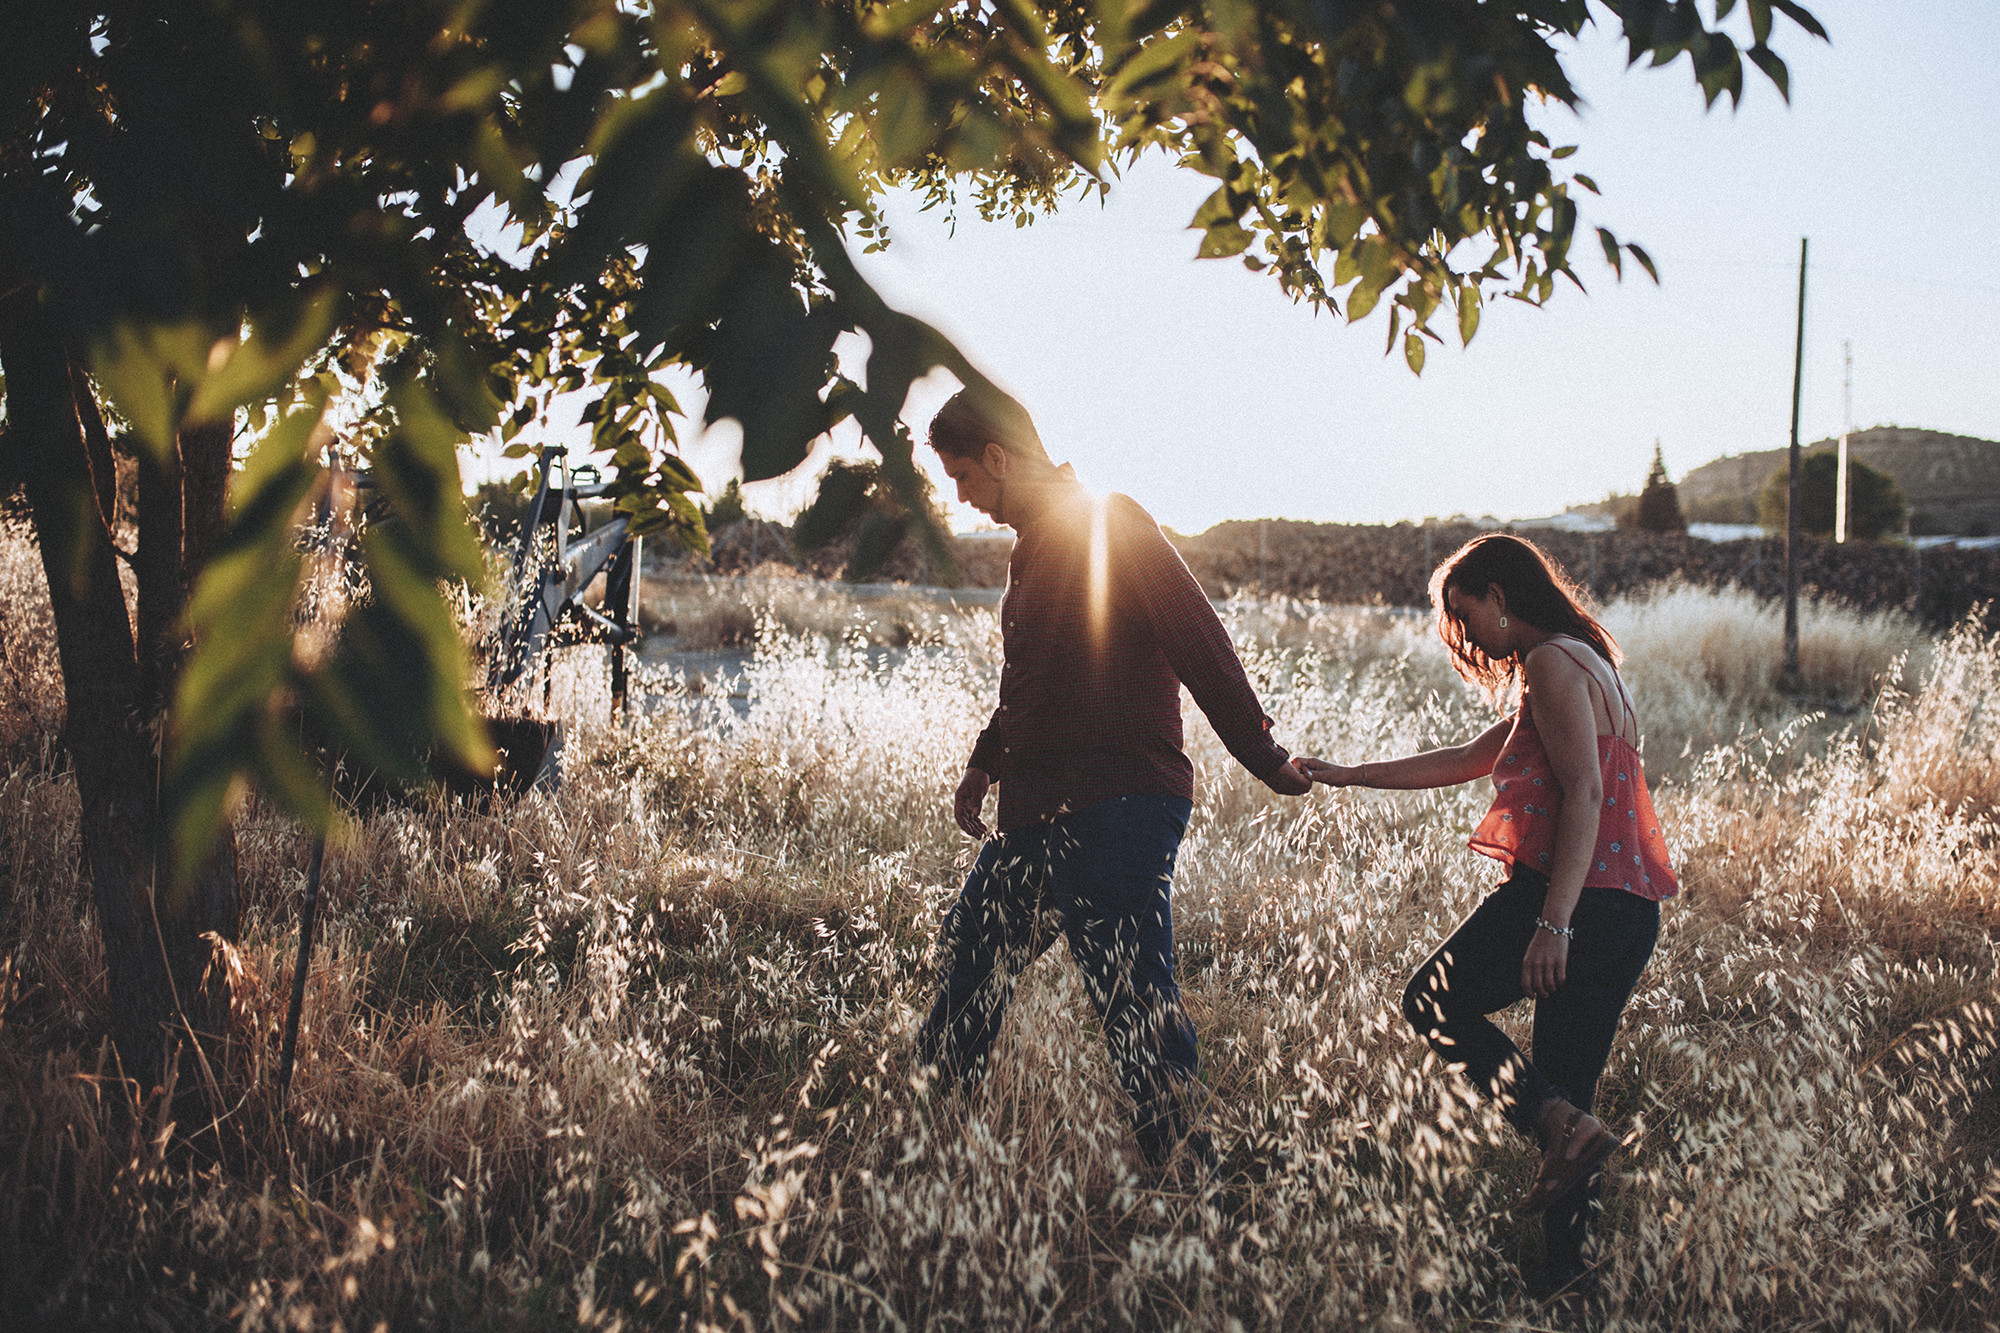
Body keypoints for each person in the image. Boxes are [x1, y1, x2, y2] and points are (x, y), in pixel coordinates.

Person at [915, 386, 1313, 1176]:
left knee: (1132, 999)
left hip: (1122, 803)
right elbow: (1032, 679)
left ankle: (1194, 1173)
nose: (963, 499)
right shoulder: (1029, 550)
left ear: (998, 457)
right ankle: (927, 1141)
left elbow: (1200, 640)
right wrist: (984, 760)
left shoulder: (1112, 521)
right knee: (972, 952)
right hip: (1038, 814)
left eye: (964, 478)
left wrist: (1265, 755)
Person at [1297, 533, 1676, 1296]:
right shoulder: (1586, 664)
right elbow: (1472, 756)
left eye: (1467, 614)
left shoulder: (1549, 662)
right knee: (1570, 1103)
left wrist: (1554, 920)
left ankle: (1554, 1128)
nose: (1466, 635)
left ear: (1501, 595)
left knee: (1432, 998)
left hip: (1576, 899)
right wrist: (1350, 774)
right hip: (1629, 911)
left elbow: (1586, 795)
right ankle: (1569, 1279)